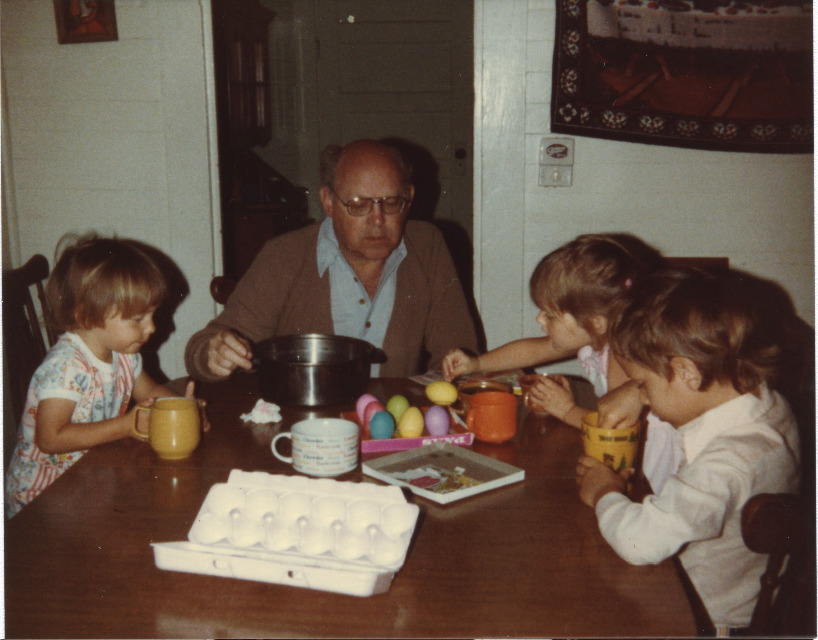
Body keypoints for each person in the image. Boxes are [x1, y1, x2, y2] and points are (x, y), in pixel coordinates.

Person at [576, 268, 800, 635]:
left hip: (702, 614)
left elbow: (640, 543)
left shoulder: (730, 462)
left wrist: (604, 490)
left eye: (643, 384)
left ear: (688, 373)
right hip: (700, 583)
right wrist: (638, 390)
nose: (641, 394)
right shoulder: (761, 400)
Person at [184, 139, 478, 380]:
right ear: (328, 202)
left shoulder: (427, 246)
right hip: (302, 426)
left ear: (410, 198)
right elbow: (203, 347)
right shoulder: (284, 255)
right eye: (358, 205)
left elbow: (458, 353)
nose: (378, 220)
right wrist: (214, 354)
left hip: (394, 429)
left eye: (391, 203)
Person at [442, 233, 681, 493]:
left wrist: (565, 409)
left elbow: (610, 429)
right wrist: (476, 363)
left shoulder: (623, 357)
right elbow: (531, 351)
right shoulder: (596, 335)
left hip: (649, 467)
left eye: (550, 314)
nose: (540, 320)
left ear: (595, 322)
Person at [5, 234, 205, 518]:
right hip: (43, 494)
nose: (151, 328)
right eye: (138, 319)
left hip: (89, 475)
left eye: (152, 315)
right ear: (88, 316)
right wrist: (126, 426)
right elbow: (50, 438)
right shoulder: (65, 367)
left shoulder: (125, 355)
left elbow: (153, 392)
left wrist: (188, 411)